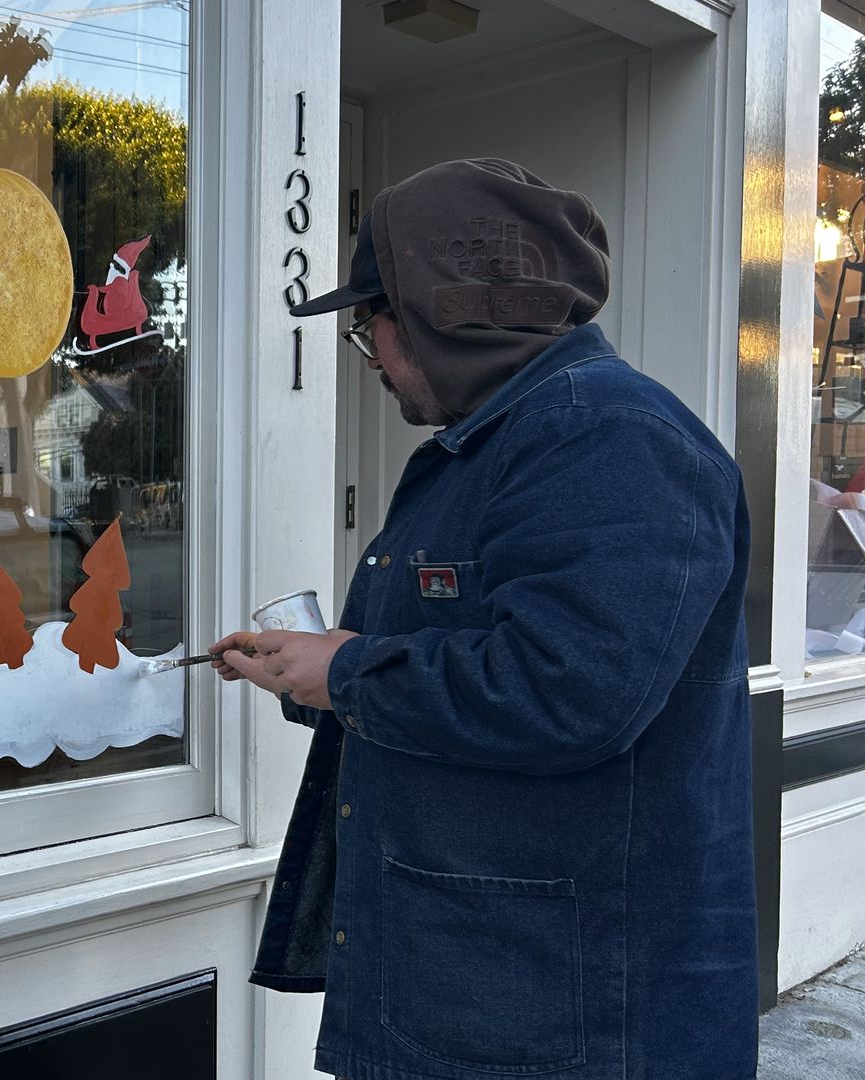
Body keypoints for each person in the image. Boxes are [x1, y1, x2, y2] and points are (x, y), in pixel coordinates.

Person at [214, 159, 756, 1079]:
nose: (372, 360)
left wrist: (345, 672)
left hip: (565, 1020)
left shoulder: (613, 440)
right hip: (470, 988)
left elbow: (570, 693)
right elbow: (441, 661)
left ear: (433, 312)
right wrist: (308, 670)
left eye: (367, 329)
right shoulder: (497, 447)